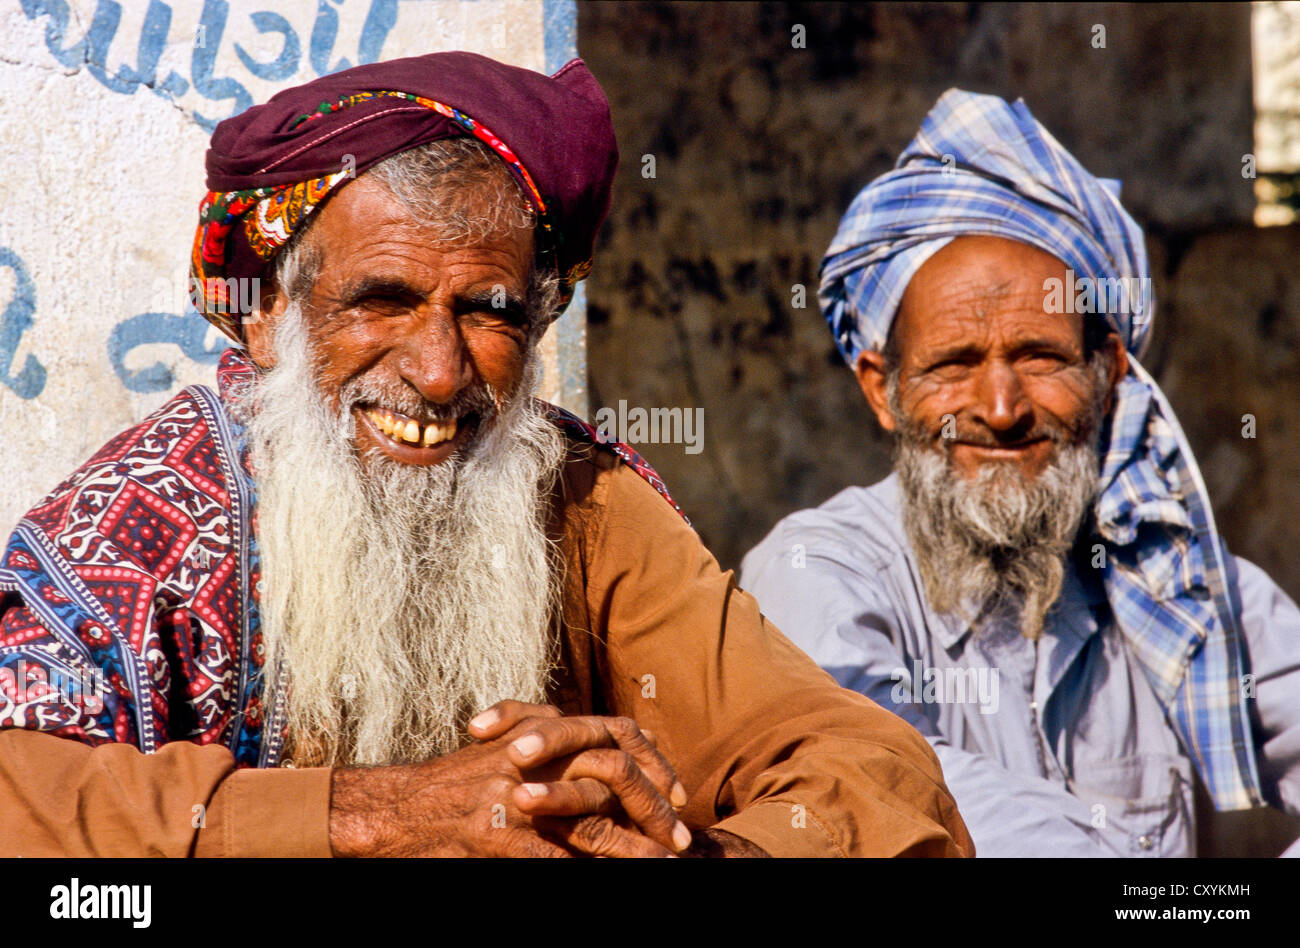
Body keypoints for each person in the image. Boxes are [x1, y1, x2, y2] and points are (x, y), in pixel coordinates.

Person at [0, 52, 972, 859]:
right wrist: (372, 817)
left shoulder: (576, 500)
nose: (435, 372)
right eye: (381, 301)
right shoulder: (143, 521)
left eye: (489, 312)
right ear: (268, 317)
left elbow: (866, 769)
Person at [740, 88, 1300, 857]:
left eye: (1040, 357)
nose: (1001, 408)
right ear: (882, 389)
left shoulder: (1162, 569)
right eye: (954, 364)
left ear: (1105, 371)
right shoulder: (818, 571)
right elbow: (894, 785)